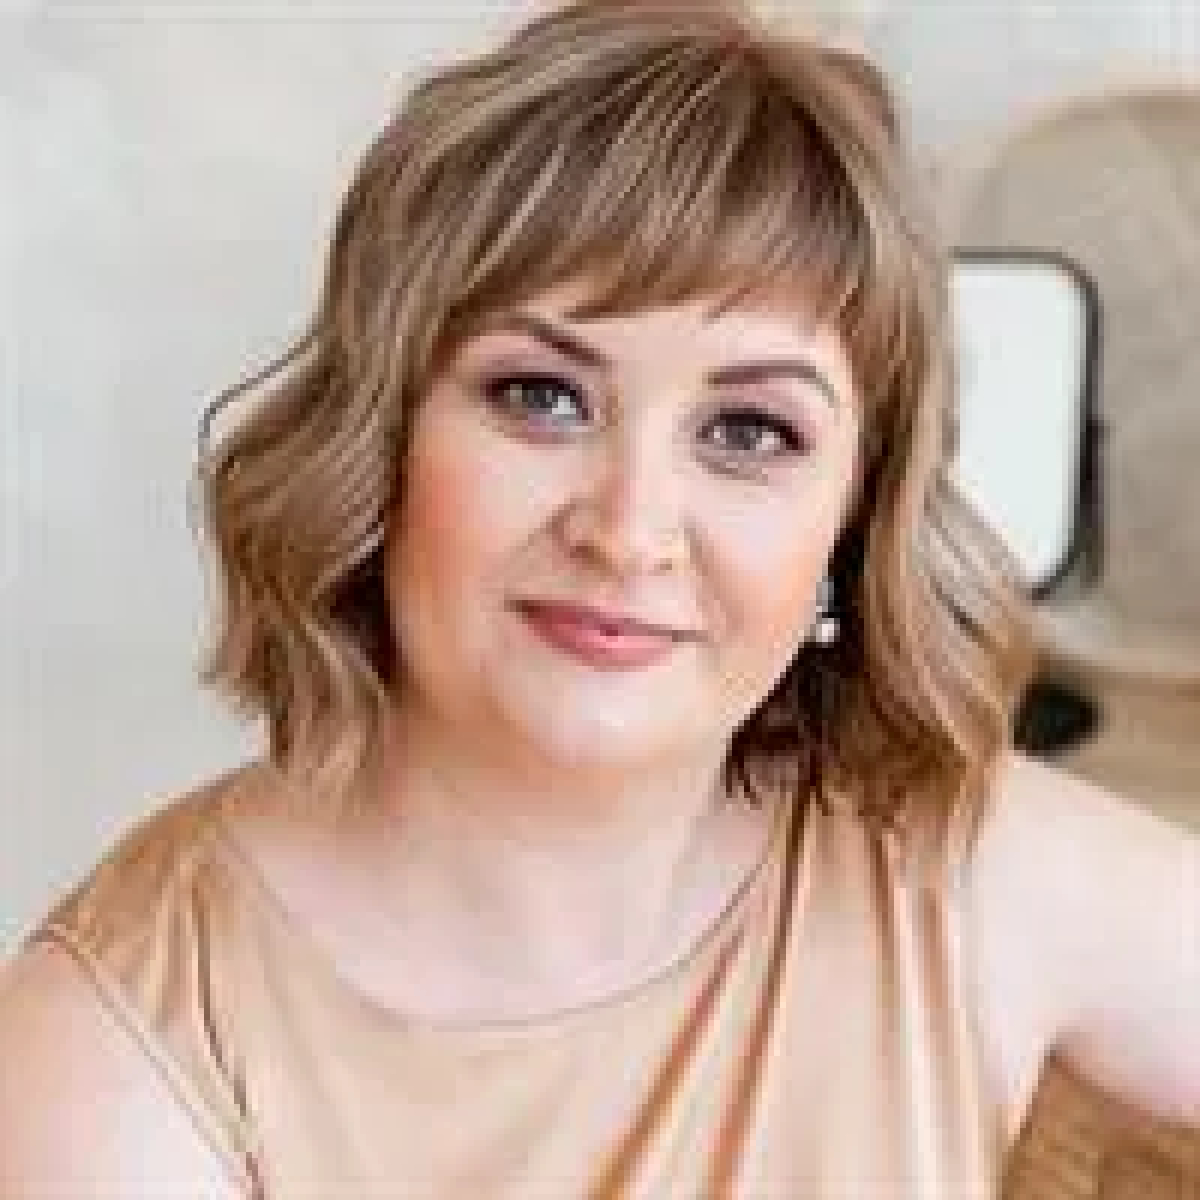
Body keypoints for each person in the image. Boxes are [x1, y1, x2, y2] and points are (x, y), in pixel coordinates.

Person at [2, 0, 1196, 1195]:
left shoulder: (960, 873)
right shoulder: (123, 1052)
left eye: (749, 431)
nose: (629, 532)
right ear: (381, 443)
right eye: (541, 397)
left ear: (857, 517)